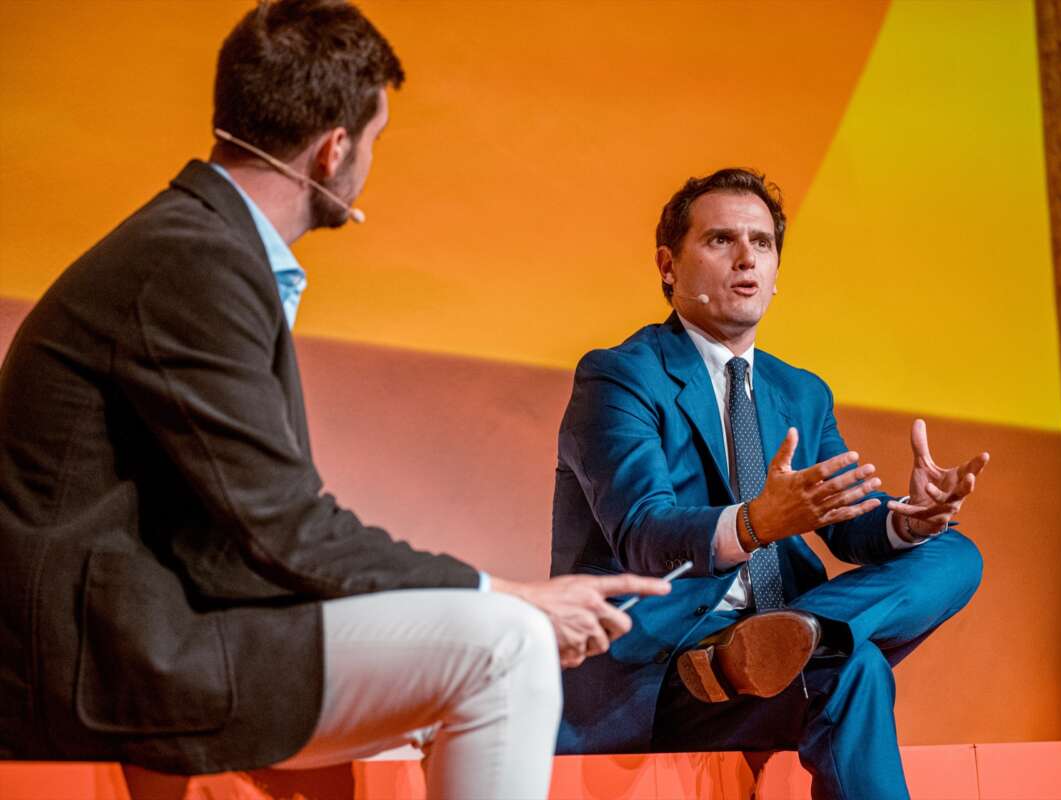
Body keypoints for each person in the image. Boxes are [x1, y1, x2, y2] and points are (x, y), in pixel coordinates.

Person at [0, 2, 666, 797]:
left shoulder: (196, 243)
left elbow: (242, 525)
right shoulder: (196, 262)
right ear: (333, 150)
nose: (370, 161)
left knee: (463, 662)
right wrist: (516, 593)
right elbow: (284, 526)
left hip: (162, 622)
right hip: (112, 658)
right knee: (507, 646)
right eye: (376, 141)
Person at [551, 167, 989, 799]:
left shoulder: (800, 392)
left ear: (777, 273)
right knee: (856, 663)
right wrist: (756, 523)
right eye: (721, 240)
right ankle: (773, 644)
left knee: (954, 555)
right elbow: (644, 535)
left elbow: (852, 526)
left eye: (762, 243)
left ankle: (793, 634)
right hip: (668, 669)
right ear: (668, 265)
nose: (745, 259)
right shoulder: (619, 378)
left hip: (767, 660)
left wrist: (909, 519)